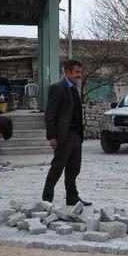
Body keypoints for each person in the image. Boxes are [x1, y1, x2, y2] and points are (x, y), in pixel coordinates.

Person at [42, 58, 91, 207]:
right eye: (77, 72)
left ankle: (72, 198)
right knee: (56, 169)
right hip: (63, 137)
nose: (79, 75)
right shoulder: (57, 88)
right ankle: (46, 199)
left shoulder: (74, 88)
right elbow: (50, 114)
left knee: (74, 170)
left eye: (80, 72)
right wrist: (52, 137)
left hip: (76, 136)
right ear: (67, 71)